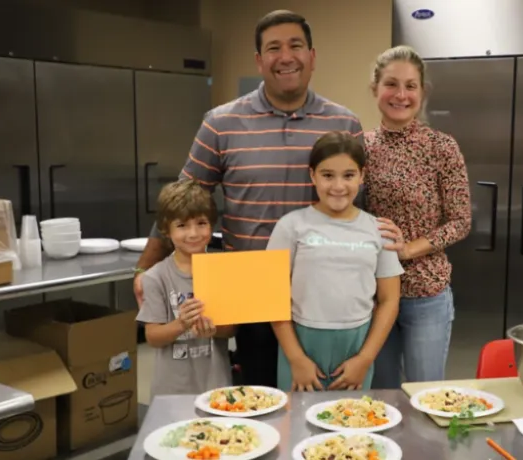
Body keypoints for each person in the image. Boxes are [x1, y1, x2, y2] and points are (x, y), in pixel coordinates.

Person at [131, 10, 386, 388]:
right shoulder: (221, 122)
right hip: (248, 281)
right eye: (273, 48)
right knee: (264, 392)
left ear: (312, 57)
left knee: (328, 395)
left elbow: (355, 203)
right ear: (259, 60)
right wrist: (145, 266)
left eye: (295, 46)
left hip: (322, 284)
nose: (286, 57)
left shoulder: (343, 123)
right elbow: (181, 200)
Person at [364, 45, 472, 389]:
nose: (401, 94)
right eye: (391, 84)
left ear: (422, 92)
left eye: (411, 86)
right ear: (375, 89)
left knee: (424, 394)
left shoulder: (441, 147)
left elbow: (460, 220)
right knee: (381, 395)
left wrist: (409, 250)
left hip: (426, 292)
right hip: (373, 293)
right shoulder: (359, 146)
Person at [267, 131, 403, 391]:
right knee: (298, 424)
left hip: (357, 346)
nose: (338, 186)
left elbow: (389, 300)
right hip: (300, 344)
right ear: (312, 175)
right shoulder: (291, 226)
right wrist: (296, 358)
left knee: (350, 425)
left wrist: (365, 359)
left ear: (362, 176)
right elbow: (273, 299)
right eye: (328, 175)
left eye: (348, 175)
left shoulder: (378, 229)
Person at [135, 180, 236, 399]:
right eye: (182, 225)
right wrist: (181, 324)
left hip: (216, 386)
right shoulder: (155, 277)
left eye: (201, 223)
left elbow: (231, 330)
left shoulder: (222, 271)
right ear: (166, 230)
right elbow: (152, 336)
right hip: (172, 391)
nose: (193, 233)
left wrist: (214, 329)